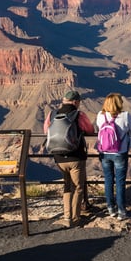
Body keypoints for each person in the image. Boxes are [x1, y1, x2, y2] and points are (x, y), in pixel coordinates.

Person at [43, 90, 94, 228]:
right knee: (78, 187)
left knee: (67, 186)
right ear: (76, 102)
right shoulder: (79, 114)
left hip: (59, 157)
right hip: (76, 156)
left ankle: (66, 216)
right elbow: (90, 130)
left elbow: (45, 131)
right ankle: (75, 218)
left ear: (63, 100)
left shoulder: (52, 114)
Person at [96, 92, 131, 220]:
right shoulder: (125, 115)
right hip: (120, 152)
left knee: (108, 180)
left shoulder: (100, 115)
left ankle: (110, 208)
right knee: (120, 182)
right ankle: (122, 212)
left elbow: (98, 128)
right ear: (119, 103)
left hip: (104, 153)